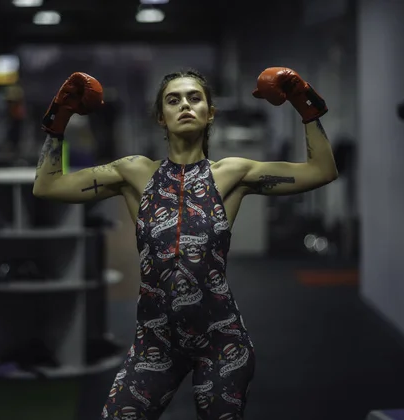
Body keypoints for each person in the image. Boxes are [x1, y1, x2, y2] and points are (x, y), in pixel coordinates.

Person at [33, 68, 338, 420]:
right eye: (173, 100)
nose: (185, 106)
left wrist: (307, 105)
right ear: (161, 118)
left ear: (211, 112)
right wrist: (59, 117)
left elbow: (321, 171)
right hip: (155, 343)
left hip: (221, 342)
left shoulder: (233, 174)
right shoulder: (135, 173)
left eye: (195, 98)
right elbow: (47, 186)